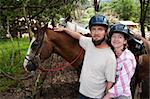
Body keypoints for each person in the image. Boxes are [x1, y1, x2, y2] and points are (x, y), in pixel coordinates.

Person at [54, 14, 116, 99]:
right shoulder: (89, 43)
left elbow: (110, 82)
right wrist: (65, 30)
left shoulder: (110, 57)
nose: (96, 33)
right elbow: (78, 36)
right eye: (93, 29)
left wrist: (105, 97)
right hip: (82, 92)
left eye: (100, 29)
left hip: (96, 97)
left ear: (105, 32)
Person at [103, 24, 137, 99]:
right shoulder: (111, 54)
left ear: (125, 41)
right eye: (114, 36)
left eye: (120, 37)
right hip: (108, 91)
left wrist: (106, 97)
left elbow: (121, 85)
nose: (116, 39)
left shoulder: (128, 58)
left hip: (121, 95)